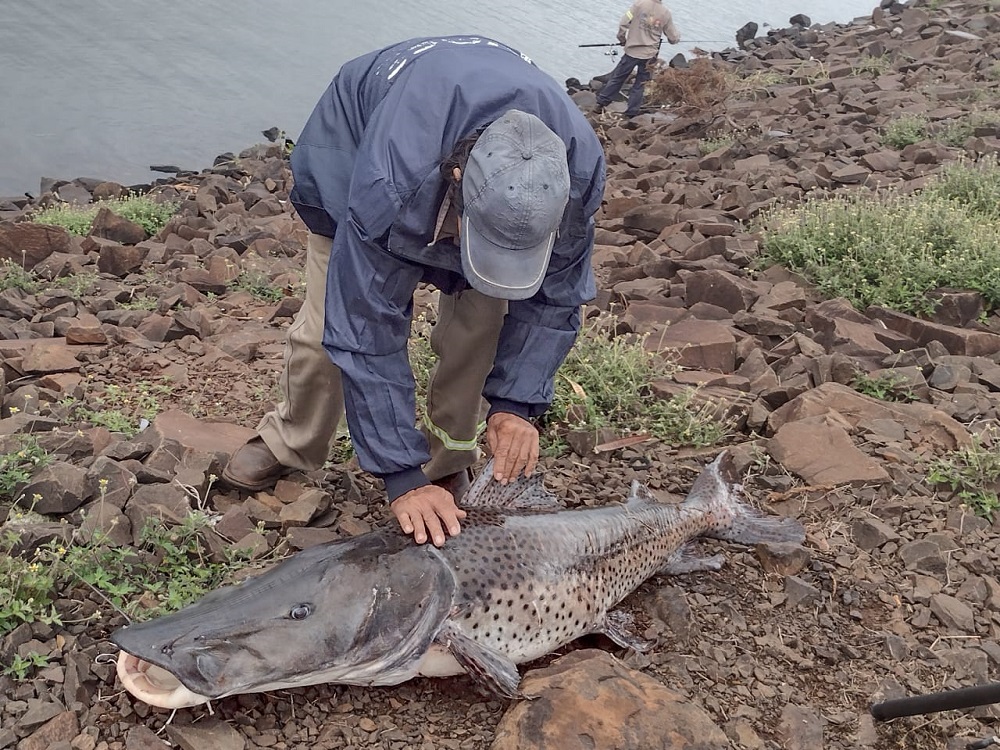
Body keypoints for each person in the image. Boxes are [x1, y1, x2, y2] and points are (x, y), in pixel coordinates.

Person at [222, 36, 606, 548]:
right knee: (323, 333)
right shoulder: (390, 178)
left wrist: (517, 404)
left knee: (480, 330)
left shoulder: (574, 179)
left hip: (474, 155)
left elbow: (556, 298)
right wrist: (400, 477)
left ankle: (450, 457)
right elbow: (365, 326)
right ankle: (292, 441)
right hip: (355, 144)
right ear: (455, 179)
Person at [594, 0, 681, 118]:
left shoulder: (638, 5)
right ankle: (631, 112)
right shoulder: (665, 13)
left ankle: (600, 104)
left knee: (617, 79)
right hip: (650, 55)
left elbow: (623, 22)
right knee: (640, 84)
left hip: (631, 51)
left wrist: (622, 39)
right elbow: (673, 38)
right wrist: (677, 37)